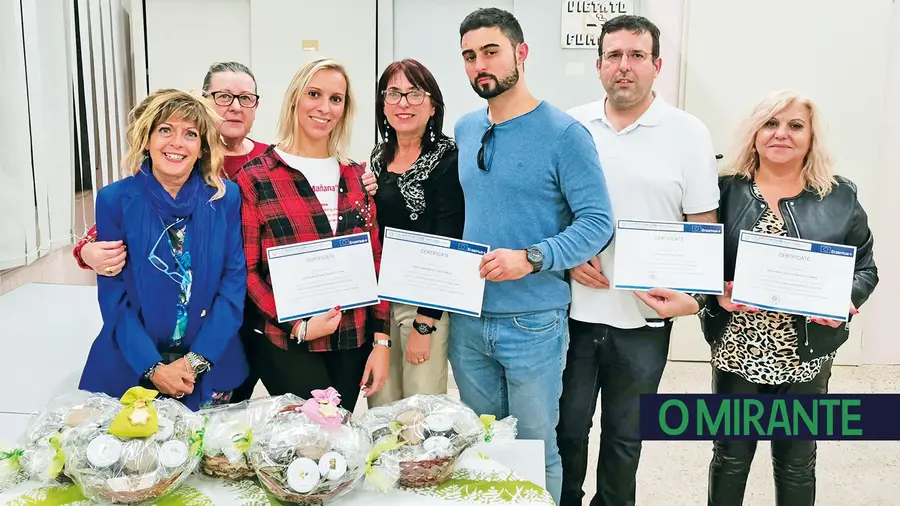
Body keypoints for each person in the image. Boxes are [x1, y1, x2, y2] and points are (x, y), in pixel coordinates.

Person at [451, 8, 615, 504]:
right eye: (469, 56)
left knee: (535, 448)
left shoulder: (565, 135)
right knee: (481, 446)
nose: (480, 64)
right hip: (468, 320)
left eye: (491, 51)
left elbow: (597, 222)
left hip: (534, 323)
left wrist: (534, 257)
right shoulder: (464, 128)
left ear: (521, 53)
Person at [557, 16, 720, 506]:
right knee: (566, 432)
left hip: (645, 319)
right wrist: (566, 260)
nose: (623, 66)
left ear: (656, 65)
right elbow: (549, 211)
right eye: (614, 56)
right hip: (574, 313)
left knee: (625, 439)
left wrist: (691, 296)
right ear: (599, 63)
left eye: (636, 56)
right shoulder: (571, 125)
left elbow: (703, 224)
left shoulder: (687, 132)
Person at [703, 90, 878, 506]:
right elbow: (697, 260)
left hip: (807, 353)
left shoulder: (840, 196)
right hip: (737, 349)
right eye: (771, 123)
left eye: (795, 125)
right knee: (730, 456)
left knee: (798, 461)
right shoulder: (723, 191)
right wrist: (715, 292)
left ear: (811, 136)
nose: (781, 133)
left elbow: (867, 268)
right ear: (755, 133)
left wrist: (842, 301)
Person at [73, 61, 267, 404]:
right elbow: (113, 299)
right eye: (165, 130)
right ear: (146, 139)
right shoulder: (115, 199)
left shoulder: (224, 196)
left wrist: (194, 363)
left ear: (203, 146)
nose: (177, 142)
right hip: (132, 365)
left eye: (191, 133)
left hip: (209, 363)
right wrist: (153, 368)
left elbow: (233, 283)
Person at [234, 58, 391, 406]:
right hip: (289, 342)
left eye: (336, 99)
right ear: (294, 99)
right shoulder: (255, 178)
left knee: (339, 445)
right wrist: (298, 325)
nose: (325, 107)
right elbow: (246, 271)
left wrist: (381, 341)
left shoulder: (356, 177)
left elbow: (375, 262)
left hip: (353, 339)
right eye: (314, 94)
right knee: (309, 444)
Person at [72, 61, 267, 278]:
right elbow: (131, 213)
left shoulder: (270, 160)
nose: (236, 107)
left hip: (256, 286)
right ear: (203, 101)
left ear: (256, 107)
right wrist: (86, 250)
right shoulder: (176, 160)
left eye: (246, 98)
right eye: (223, 96)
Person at [363, 59, 464, 408]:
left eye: (414, 93)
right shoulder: (378, 156)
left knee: (418, 414)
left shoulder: (447, 158)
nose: (403, 103)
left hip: (421, 305)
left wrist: (426, 323)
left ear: (433, 104)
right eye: (394, 93)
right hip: (379, 303)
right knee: (381, 406)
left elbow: (448, 242)